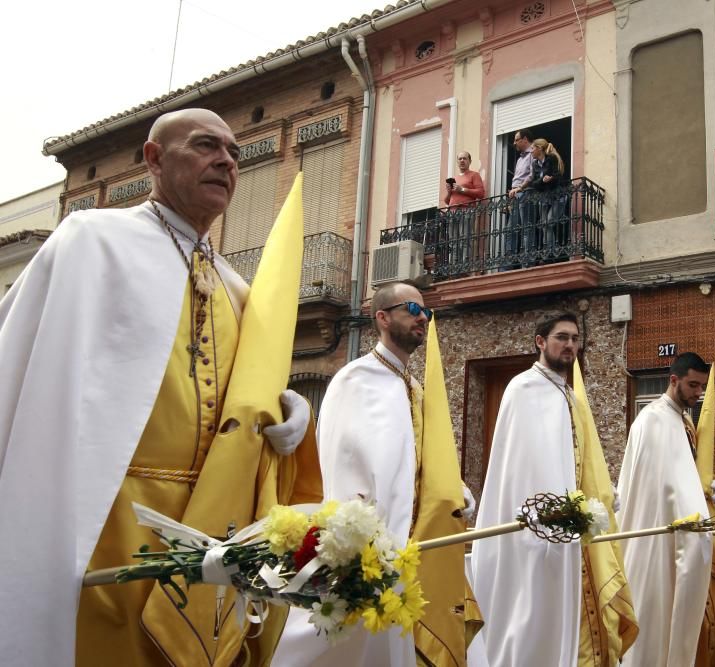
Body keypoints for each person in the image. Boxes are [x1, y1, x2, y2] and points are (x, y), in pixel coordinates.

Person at [0, 108, 311, 666]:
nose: (226, 161)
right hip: (107, 514)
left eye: (235, 153)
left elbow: (246, 398)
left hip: (209, 520)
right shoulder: (94, 240)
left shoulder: (238, 289)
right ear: (154, 158)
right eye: (205, 146)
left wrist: (289, 410)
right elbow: (27, 370)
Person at [273, 281, 480, 666]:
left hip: (415, 538)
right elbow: (339, 462)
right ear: (382, 318)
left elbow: (416, 458)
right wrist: (358, 535)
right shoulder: (355, 379)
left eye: (427, 313)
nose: (423, 320)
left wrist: (452, 486)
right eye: (413, 311)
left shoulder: (413, 387)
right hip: (372, 542)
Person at [471, 311, 637, 666]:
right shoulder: (522, 388)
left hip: (570, 529)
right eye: (562, 337)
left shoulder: (569, 396)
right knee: (533, 615)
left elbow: (580, 457)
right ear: (540, 342)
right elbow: (519, 466)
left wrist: (599, 494)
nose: (570, 345)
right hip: (536, 531)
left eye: (576, 339)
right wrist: (544, 515)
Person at [617, 351, 714, 667]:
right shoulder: (654, 419)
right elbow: (662, 486)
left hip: (677, 528)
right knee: (655, 612)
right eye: (693, 385)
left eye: (702, 387)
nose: (698, 393)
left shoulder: (680, 419)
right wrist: (695, 511)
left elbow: (683, 475)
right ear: (674, 380)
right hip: (655, 536)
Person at [524, 138, 567, 261]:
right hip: (544, 198)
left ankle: (551, 252)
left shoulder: (551, 159)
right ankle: (550, 252)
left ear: (539, 148)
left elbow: (559, 175)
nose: (531, 152)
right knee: (544, 225)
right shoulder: (534, 164)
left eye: (532, 148)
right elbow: (534, 183)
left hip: (558, 196)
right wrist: (542, 181)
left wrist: (551, 178)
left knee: (548, 222)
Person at [443, 151, 486, 269]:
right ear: (457, 162)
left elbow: (481, 193)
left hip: (466, 211)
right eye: (460, 159)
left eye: (465, 158)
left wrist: (462, 189)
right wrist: (449, 192)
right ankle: (454, 266)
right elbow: (447, 201)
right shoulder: (455, 178)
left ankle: (464, 266)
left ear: (469, 161)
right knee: (453, 241)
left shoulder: (474, 175)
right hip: (452, 212)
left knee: (464, 239)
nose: (462, 160)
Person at [502, 128, 534, 269]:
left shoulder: (533, 153)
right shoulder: (521, 157)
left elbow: (533, 175)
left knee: (527, 227)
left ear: (525, 139)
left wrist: (519, 188)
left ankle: (527, 261)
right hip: (515, 195)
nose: (514, 143)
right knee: (510, 229)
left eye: (516, 140)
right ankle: (509, 263)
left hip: (526, 193)